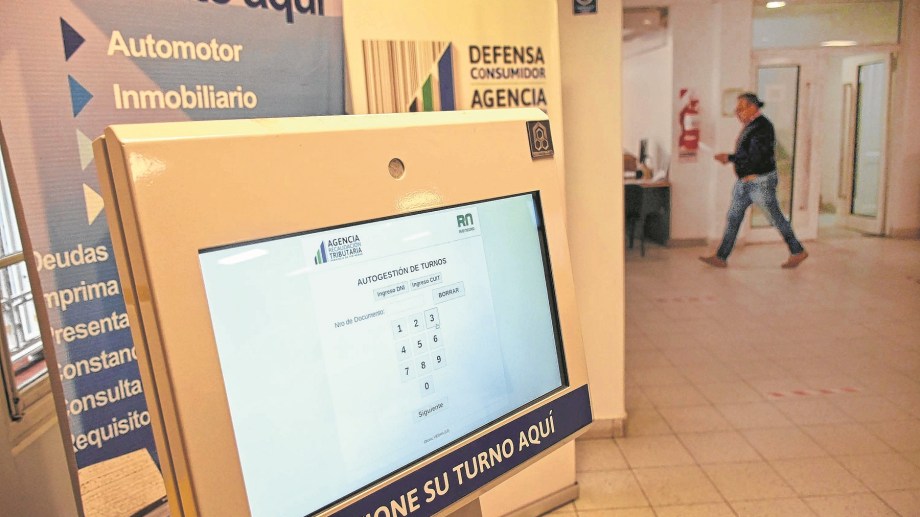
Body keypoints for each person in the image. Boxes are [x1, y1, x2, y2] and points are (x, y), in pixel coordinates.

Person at [700, 92, 808, 269]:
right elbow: (747, 153)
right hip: (744, 183)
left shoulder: (763, 127)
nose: (737, 112)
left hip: (760, 182)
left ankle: (797, 251)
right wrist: (732, 159)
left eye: (741, 109)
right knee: (733, 217)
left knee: (775, 218)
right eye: (737, 109)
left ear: (753, 107)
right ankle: (721, 257)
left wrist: (729, 158)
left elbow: (755, 157)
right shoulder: (751, 126)